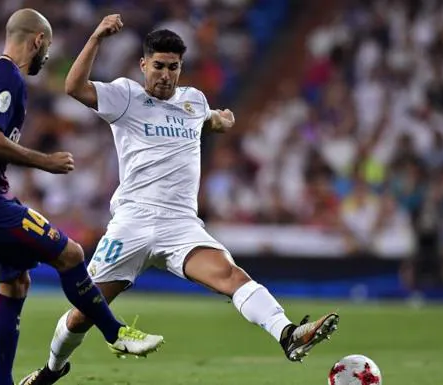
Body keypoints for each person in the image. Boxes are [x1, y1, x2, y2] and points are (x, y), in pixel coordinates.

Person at [19, 14, 339, 385]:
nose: (166, 75)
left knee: (231, 275)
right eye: (159, 66)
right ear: (144, 65)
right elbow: (75, 87)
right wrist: (96, 37)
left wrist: (221, 119)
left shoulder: (193, 101)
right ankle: (51, 370)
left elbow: (206, 119)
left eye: (174, 67)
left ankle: (287, 334)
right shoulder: (125, 96)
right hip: (132, 222)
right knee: (83, 314)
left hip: (180, 225)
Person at [0, 9, 163, 385]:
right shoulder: (7, 75)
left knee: (14, 284)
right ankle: (117, 334)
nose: (46, 57)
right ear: (38, 40)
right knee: (71, 253)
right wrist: (45, 161)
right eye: (48, 47)